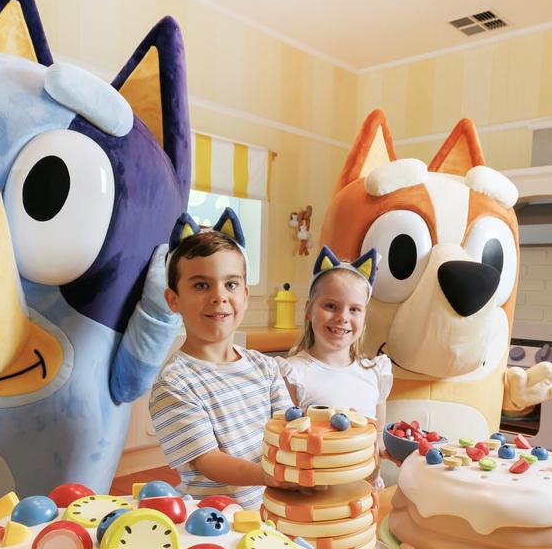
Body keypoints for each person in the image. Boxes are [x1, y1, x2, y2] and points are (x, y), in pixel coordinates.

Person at [149, 210, 294, 509]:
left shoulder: (265, 368)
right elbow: (208, 461)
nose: (219, 296)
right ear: (173, 299)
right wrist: (272, 476)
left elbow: (288, 429)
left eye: (230, 284)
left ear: (245, 295)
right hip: (213, 523)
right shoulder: (174, 383)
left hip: (270, 513)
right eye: (201, 285)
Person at [278, 246, 389, 486]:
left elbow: (378, 439)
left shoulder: (375, 372)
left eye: (354, 309)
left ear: (364, 316)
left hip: (365, 495)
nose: (343, 317)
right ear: (309, 310)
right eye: (330, 306)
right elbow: (284, 441)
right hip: (313, 497)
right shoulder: (293, 373)